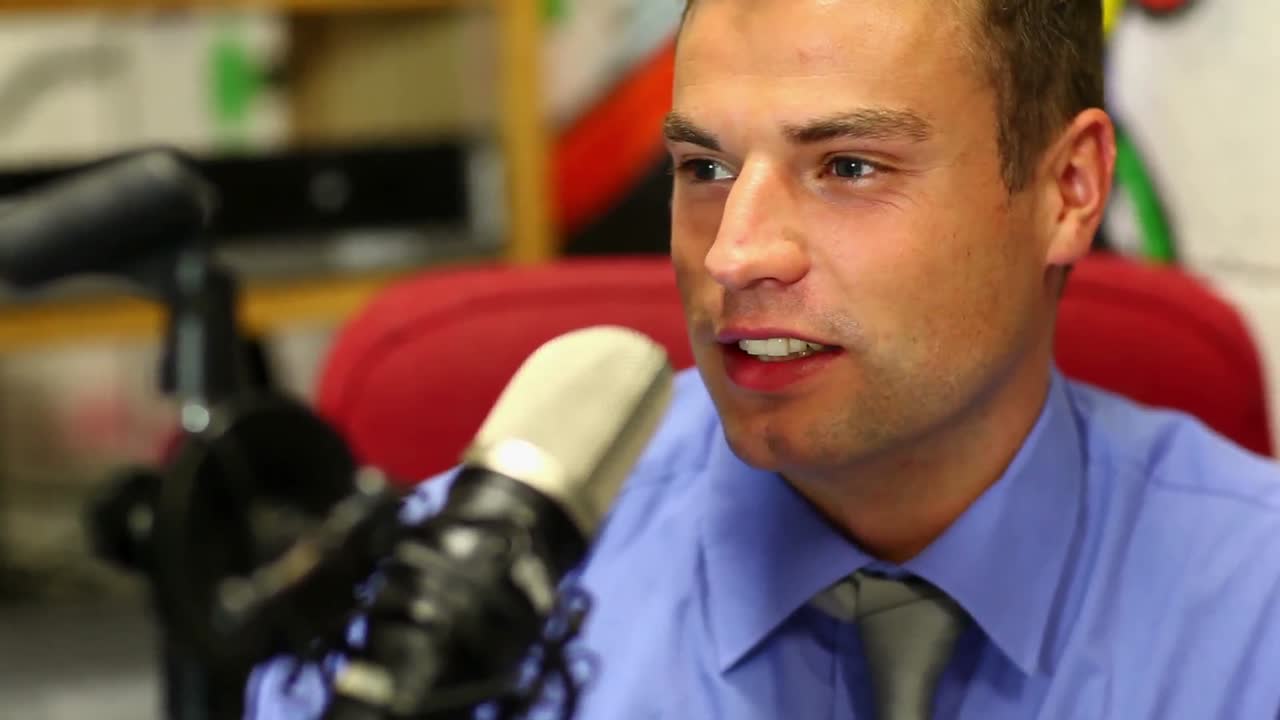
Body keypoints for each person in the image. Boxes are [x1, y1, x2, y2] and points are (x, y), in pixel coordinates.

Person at [248, 0, 1280, 717]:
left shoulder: (1252, 609)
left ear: (1066, 190)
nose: (734, 254)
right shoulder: (428, 620)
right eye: (702, 167)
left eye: (845, 167)